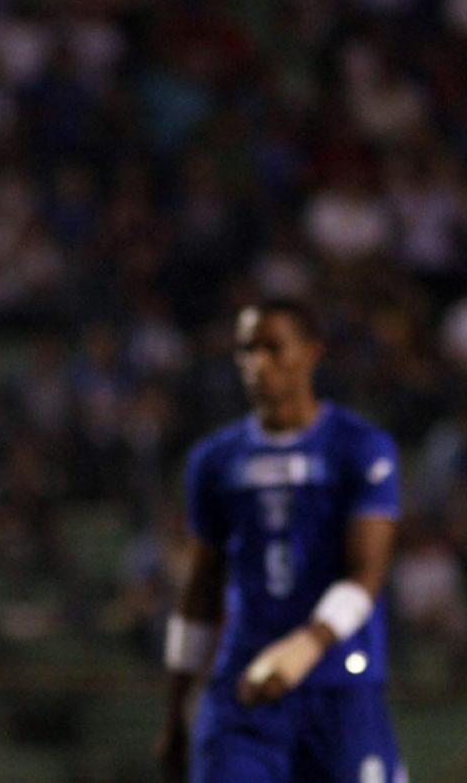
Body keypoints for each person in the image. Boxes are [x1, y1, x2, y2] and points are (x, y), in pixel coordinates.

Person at [157, 299, 405, 782]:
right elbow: (200, 589)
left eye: (273, 348)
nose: (258, 364)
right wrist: (177, 707)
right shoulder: (215, 460)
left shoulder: (360, 447)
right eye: (248, 350)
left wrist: (308, 645)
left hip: (339, 684)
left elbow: (367, 572)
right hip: (244, 686)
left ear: (311, 353)